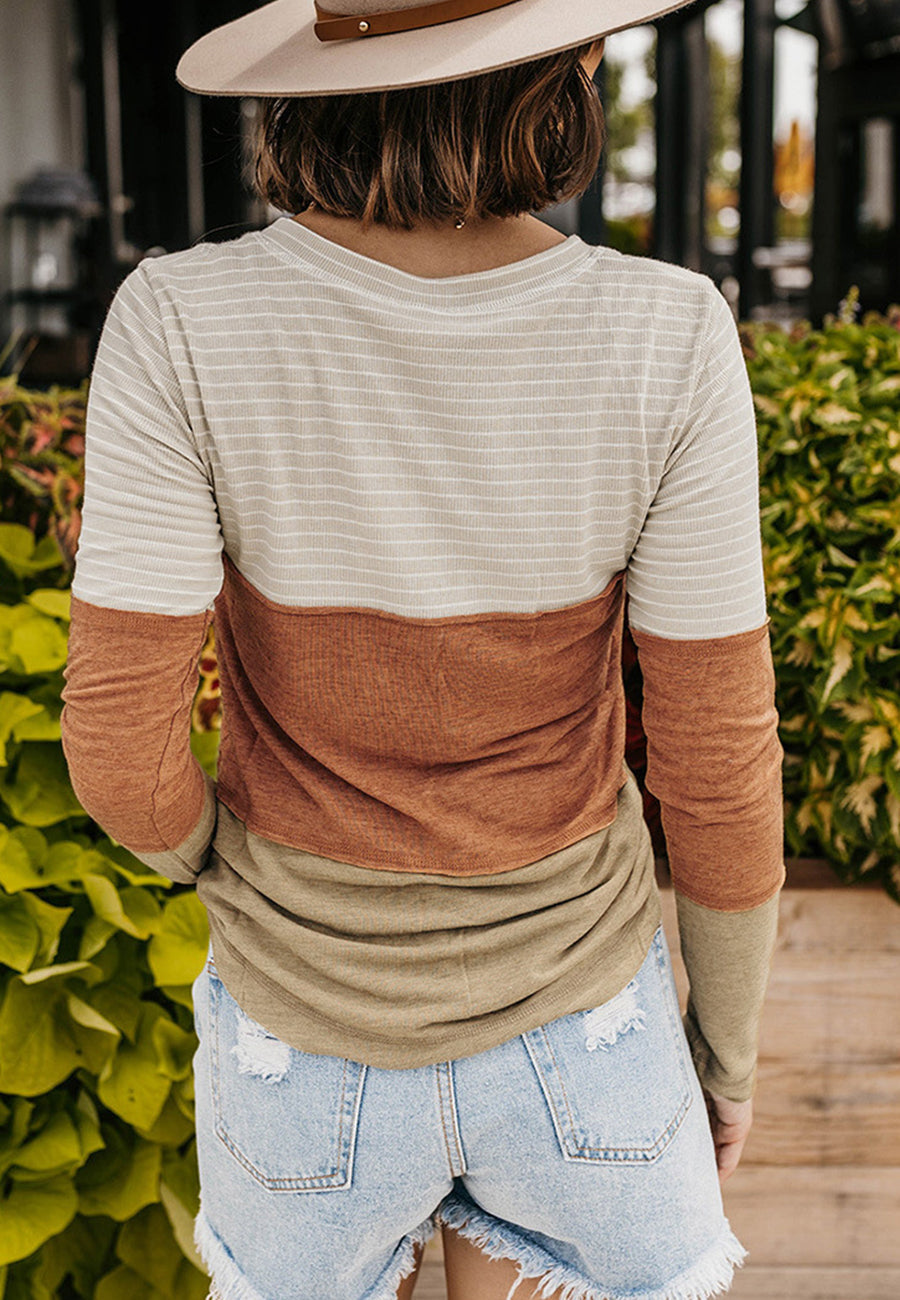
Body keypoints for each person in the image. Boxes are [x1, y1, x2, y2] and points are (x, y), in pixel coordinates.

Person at [59, 2, 786, 1298]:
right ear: (569, 71)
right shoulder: (669, 331)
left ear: (313, 82)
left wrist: (219, 863)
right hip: (583, 1030)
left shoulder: (180, 319)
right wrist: (721, 1056)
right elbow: (719, 767)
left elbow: (119, 756)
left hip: (303, 1028)